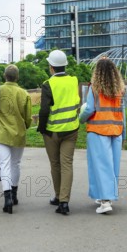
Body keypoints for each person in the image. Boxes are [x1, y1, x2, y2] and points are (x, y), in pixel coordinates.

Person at [0, 64, 32, 214]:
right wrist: (24, 126)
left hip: (2, 133)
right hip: (18, 133)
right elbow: (28, 118)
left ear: (5, 76)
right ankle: (14, 194)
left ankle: (7, 197)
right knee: (15, 163)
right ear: (17, 77)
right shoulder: (23, 93)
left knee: (4, 165)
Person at [79, 58, 126, 214]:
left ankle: (105, 201)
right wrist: (123, 133)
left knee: (100, 166)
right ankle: (105, 196)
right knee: (113, 166)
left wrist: (80, 119)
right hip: (116, 131)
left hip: (98, 131)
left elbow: (89, 109)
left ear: (97, 72)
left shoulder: (94, 89)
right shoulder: (119, 89)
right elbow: (122, 114)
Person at [37, 50, 80, 215]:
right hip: (71, 129)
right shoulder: (73, 81)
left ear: (51, 67)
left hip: (53, 131)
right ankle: (64, 201)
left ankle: (58, 196)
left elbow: (44, 111)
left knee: (55, 164)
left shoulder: (48, 84)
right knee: (67, 164)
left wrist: (42, 128)